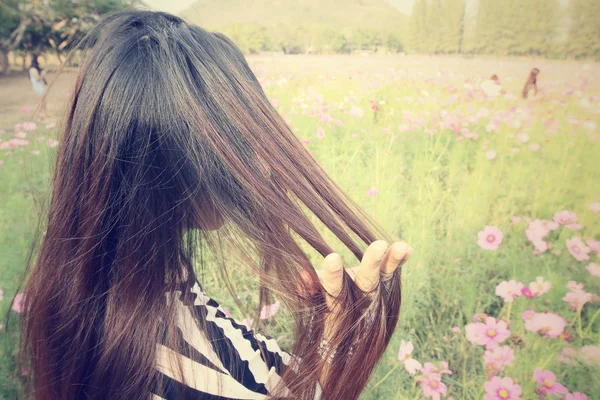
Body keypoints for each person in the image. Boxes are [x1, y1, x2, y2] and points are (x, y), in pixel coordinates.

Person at [13, 10, 411, 400]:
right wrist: (340, 343)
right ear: (166, 166)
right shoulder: (226, 380)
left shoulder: (84, 287)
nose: (254, 160)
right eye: (231, 141)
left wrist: (331, 335)